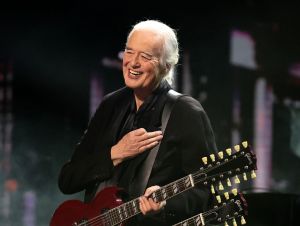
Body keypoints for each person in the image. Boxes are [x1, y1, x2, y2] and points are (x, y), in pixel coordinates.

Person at [58, 19, 217, 225]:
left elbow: (208, 189)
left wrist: (167, 204)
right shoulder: (110, 105)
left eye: (145, 56)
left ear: (166, 65)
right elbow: (68, 179)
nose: (133, 62)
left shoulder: (186, 112)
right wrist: (115, 153)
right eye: (130, 51)